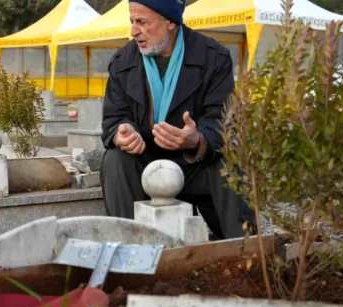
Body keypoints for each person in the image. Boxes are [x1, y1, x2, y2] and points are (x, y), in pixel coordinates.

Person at [100, 0, 255, 239]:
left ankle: (246, 252)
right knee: (114, 159)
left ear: (170, 21)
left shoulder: (213, 57)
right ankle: (130, 249)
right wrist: (124, 132)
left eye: (142, 22)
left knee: (228, 160)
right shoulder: (122, 62)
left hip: (196, 166)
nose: (133, 31)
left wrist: (197, 139)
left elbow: (224, 122)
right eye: (132, 21)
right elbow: (114, 117)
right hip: (146, 167)